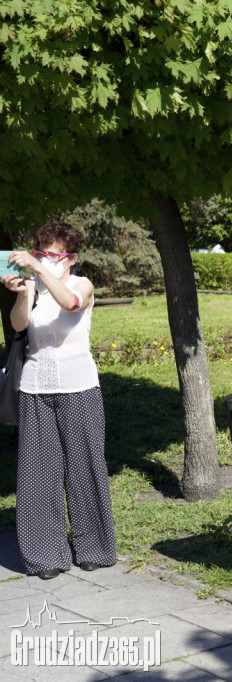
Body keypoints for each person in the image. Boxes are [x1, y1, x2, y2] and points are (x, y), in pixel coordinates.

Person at [1, 221, 116, 579]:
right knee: (39, 474)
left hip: (79, 386)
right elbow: (19, 326)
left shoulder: (81, 284)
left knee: (85, 467)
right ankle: (45, 555)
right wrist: (23, 293)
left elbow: (71, 304)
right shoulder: (34, 288)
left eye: (53, 255)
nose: (45, 260)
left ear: (71, 259)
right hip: (35, 387)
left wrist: (38, 271)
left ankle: (94, 548)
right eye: (41, 253)